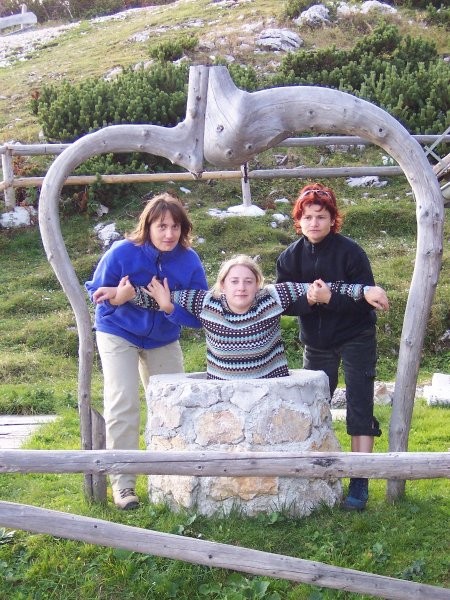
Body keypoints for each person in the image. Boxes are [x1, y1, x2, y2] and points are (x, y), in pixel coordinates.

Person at [85, 192, 208, 510]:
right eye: (162, 226)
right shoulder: (123, 252)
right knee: (123, 402)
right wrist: (117, 297)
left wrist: (168, 307)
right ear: (148, 226)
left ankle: (171, 478)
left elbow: (199, 312)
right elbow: (97, 289)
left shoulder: (189, 261)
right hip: (118, 333)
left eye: (175, 227)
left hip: (164, 337)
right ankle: (124, 485)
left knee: (174, 405)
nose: (169, 234)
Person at [276, 182, 390, 511]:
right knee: (315, 405)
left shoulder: (351, 252)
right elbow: (285, 302)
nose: (314, 223)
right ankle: (317, 470)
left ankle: (359, 480)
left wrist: (330, 298)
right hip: (316, 343)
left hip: (356, 337)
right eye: (308, 216)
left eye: (321, 216)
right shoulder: (289, 257)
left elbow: (366, 299)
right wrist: (310, 302)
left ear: (332, 219)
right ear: (298, 220)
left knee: (359, 406)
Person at [94, 254, 388, 381]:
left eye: (248, 281)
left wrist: (364, 291)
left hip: (269, 385)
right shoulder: (206, 301)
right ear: (222, 285)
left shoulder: (272, 297)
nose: (241, 287)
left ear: (258, 284)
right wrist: (122, 293)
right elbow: (149, 296)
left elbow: (322, 288)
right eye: (234, 281)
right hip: (223, 388)